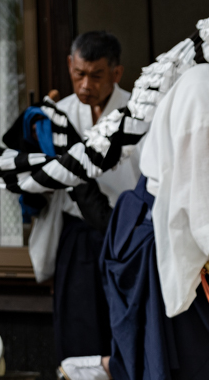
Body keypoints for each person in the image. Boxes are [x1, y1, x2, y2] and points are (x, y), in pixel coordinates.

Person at [70, 61, 209, 380]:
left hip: (160, 220)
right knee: (180, 356)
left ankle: (105, 368)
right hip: (161, 230)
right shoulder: (202, 91)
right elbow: (203, 213)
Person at [26, 32, 142, 367]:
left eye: (96, 75)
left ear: (117, 73)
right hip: (76, 236)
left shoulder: (138, 114)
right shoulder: (56, 116)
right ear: (69, 66)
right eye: (79, 74)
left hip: (126, 235)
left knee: (126, 331)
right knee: (78, 336)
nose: (85, 85)